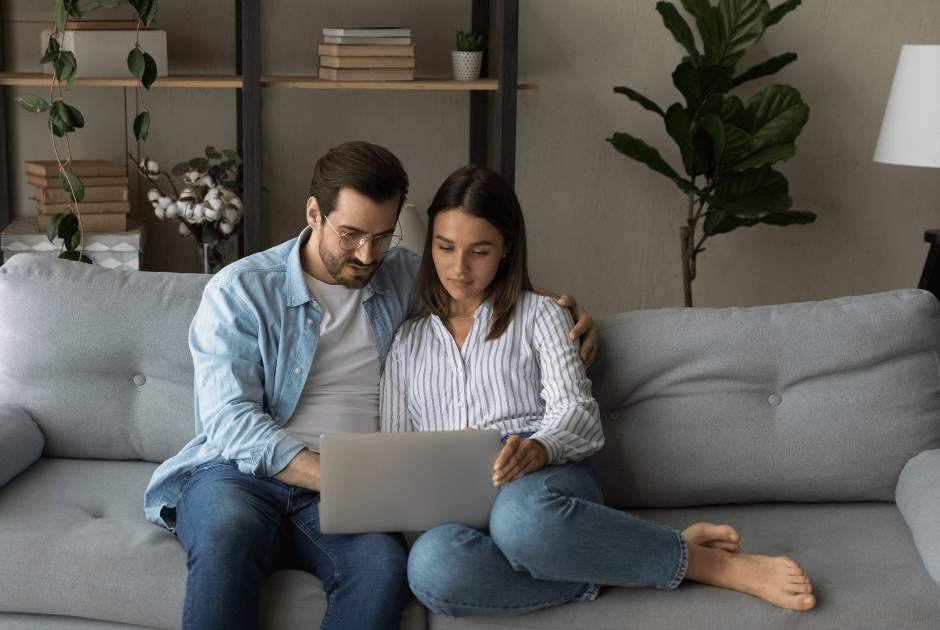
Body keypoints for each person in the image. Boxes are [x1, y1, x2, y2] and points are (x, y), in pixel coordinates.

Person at [142, 141, 599, 630]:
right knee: (226, 535)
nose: (366, 254)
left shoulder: (402, 273)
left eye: (382, 237)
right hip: (240, 476)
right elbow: (229, 420)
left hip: (353, 490)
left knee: (382, 569)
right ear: (314, 213)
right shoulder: (241, 290)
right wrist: (333, 475)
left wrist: (568, 310)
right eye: (351, 234)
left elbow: (484, 280)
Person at [380, 165, 817, 618]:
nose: (459, 268)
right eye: (444, 247)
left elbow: (578, 414)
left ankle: (708, 565)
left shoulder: (540, 315)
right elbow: (393, 453)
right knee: (431, 566)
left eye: (480, 251)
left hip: (542, 487)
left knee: (520, 520)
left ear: (507, 248)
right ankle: (632, 559)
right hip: (457, 511)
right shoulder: (407, 343)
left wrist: (539, 448)